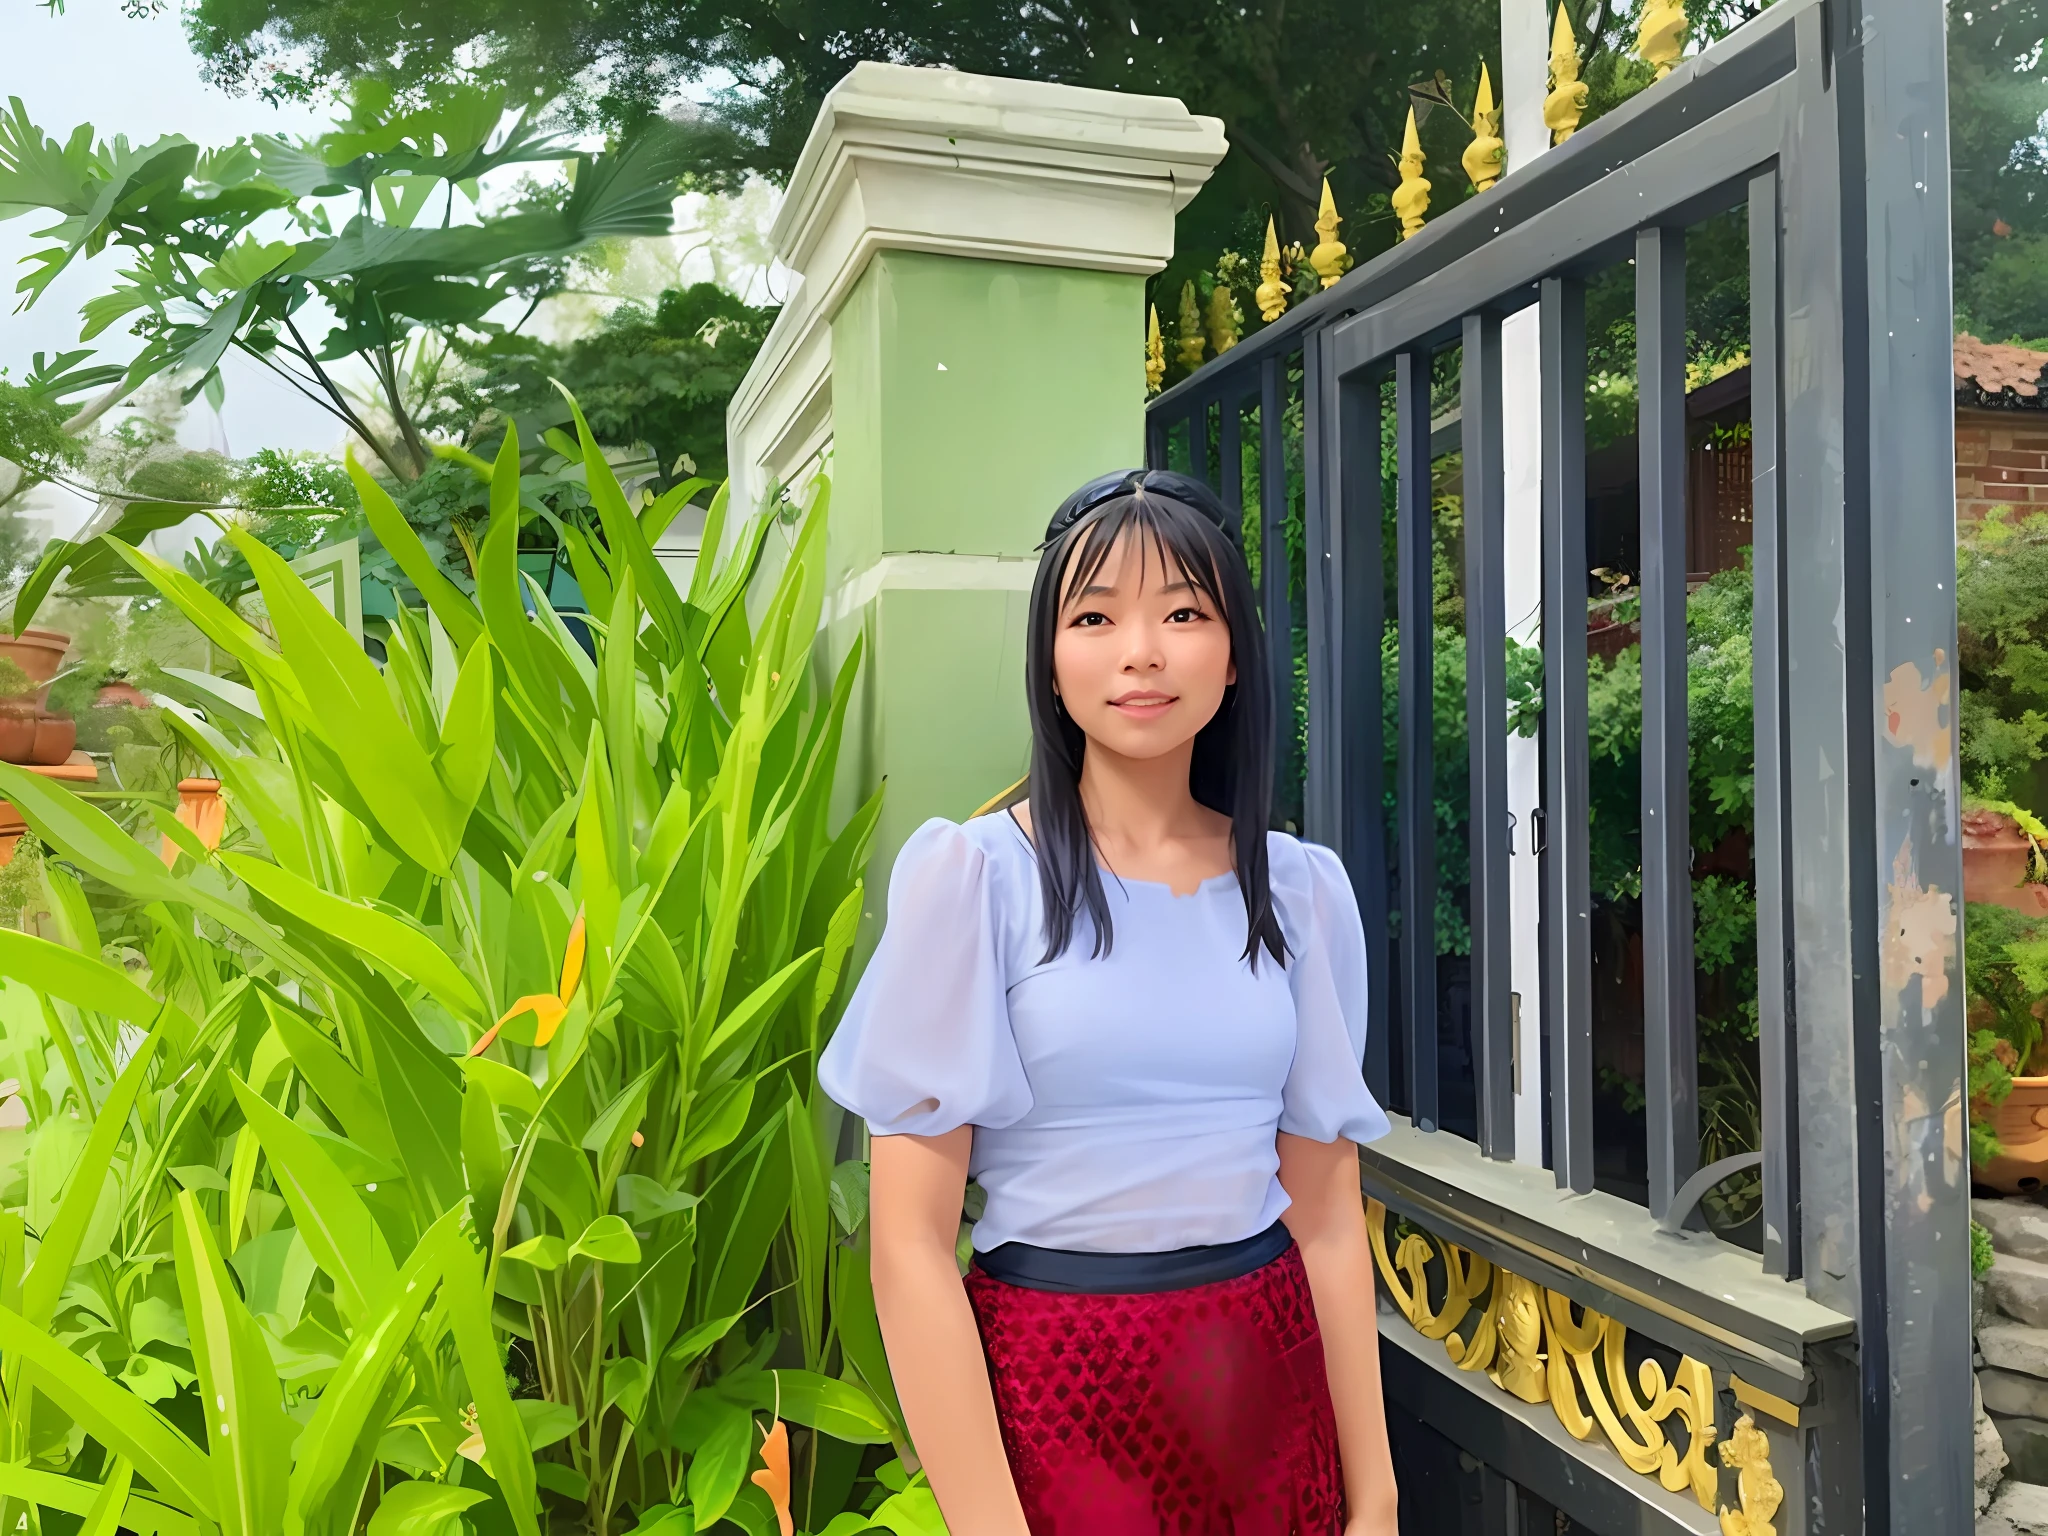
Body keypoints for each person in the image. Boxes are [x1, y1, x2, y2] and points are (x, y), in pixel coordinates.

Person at [819, 468, 1399, 1535]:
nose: (1140, 651)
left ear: (1232, 659)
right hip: (1059, 1385)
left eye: (1183, 613)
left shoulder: (1299, 890)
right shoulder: (974, 879)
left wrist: (1374, 1494)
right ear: (1050, 661)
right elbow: (907, 1243)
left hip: (1264, 1381)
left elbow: (1323, 1212)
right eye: (1094, 616)